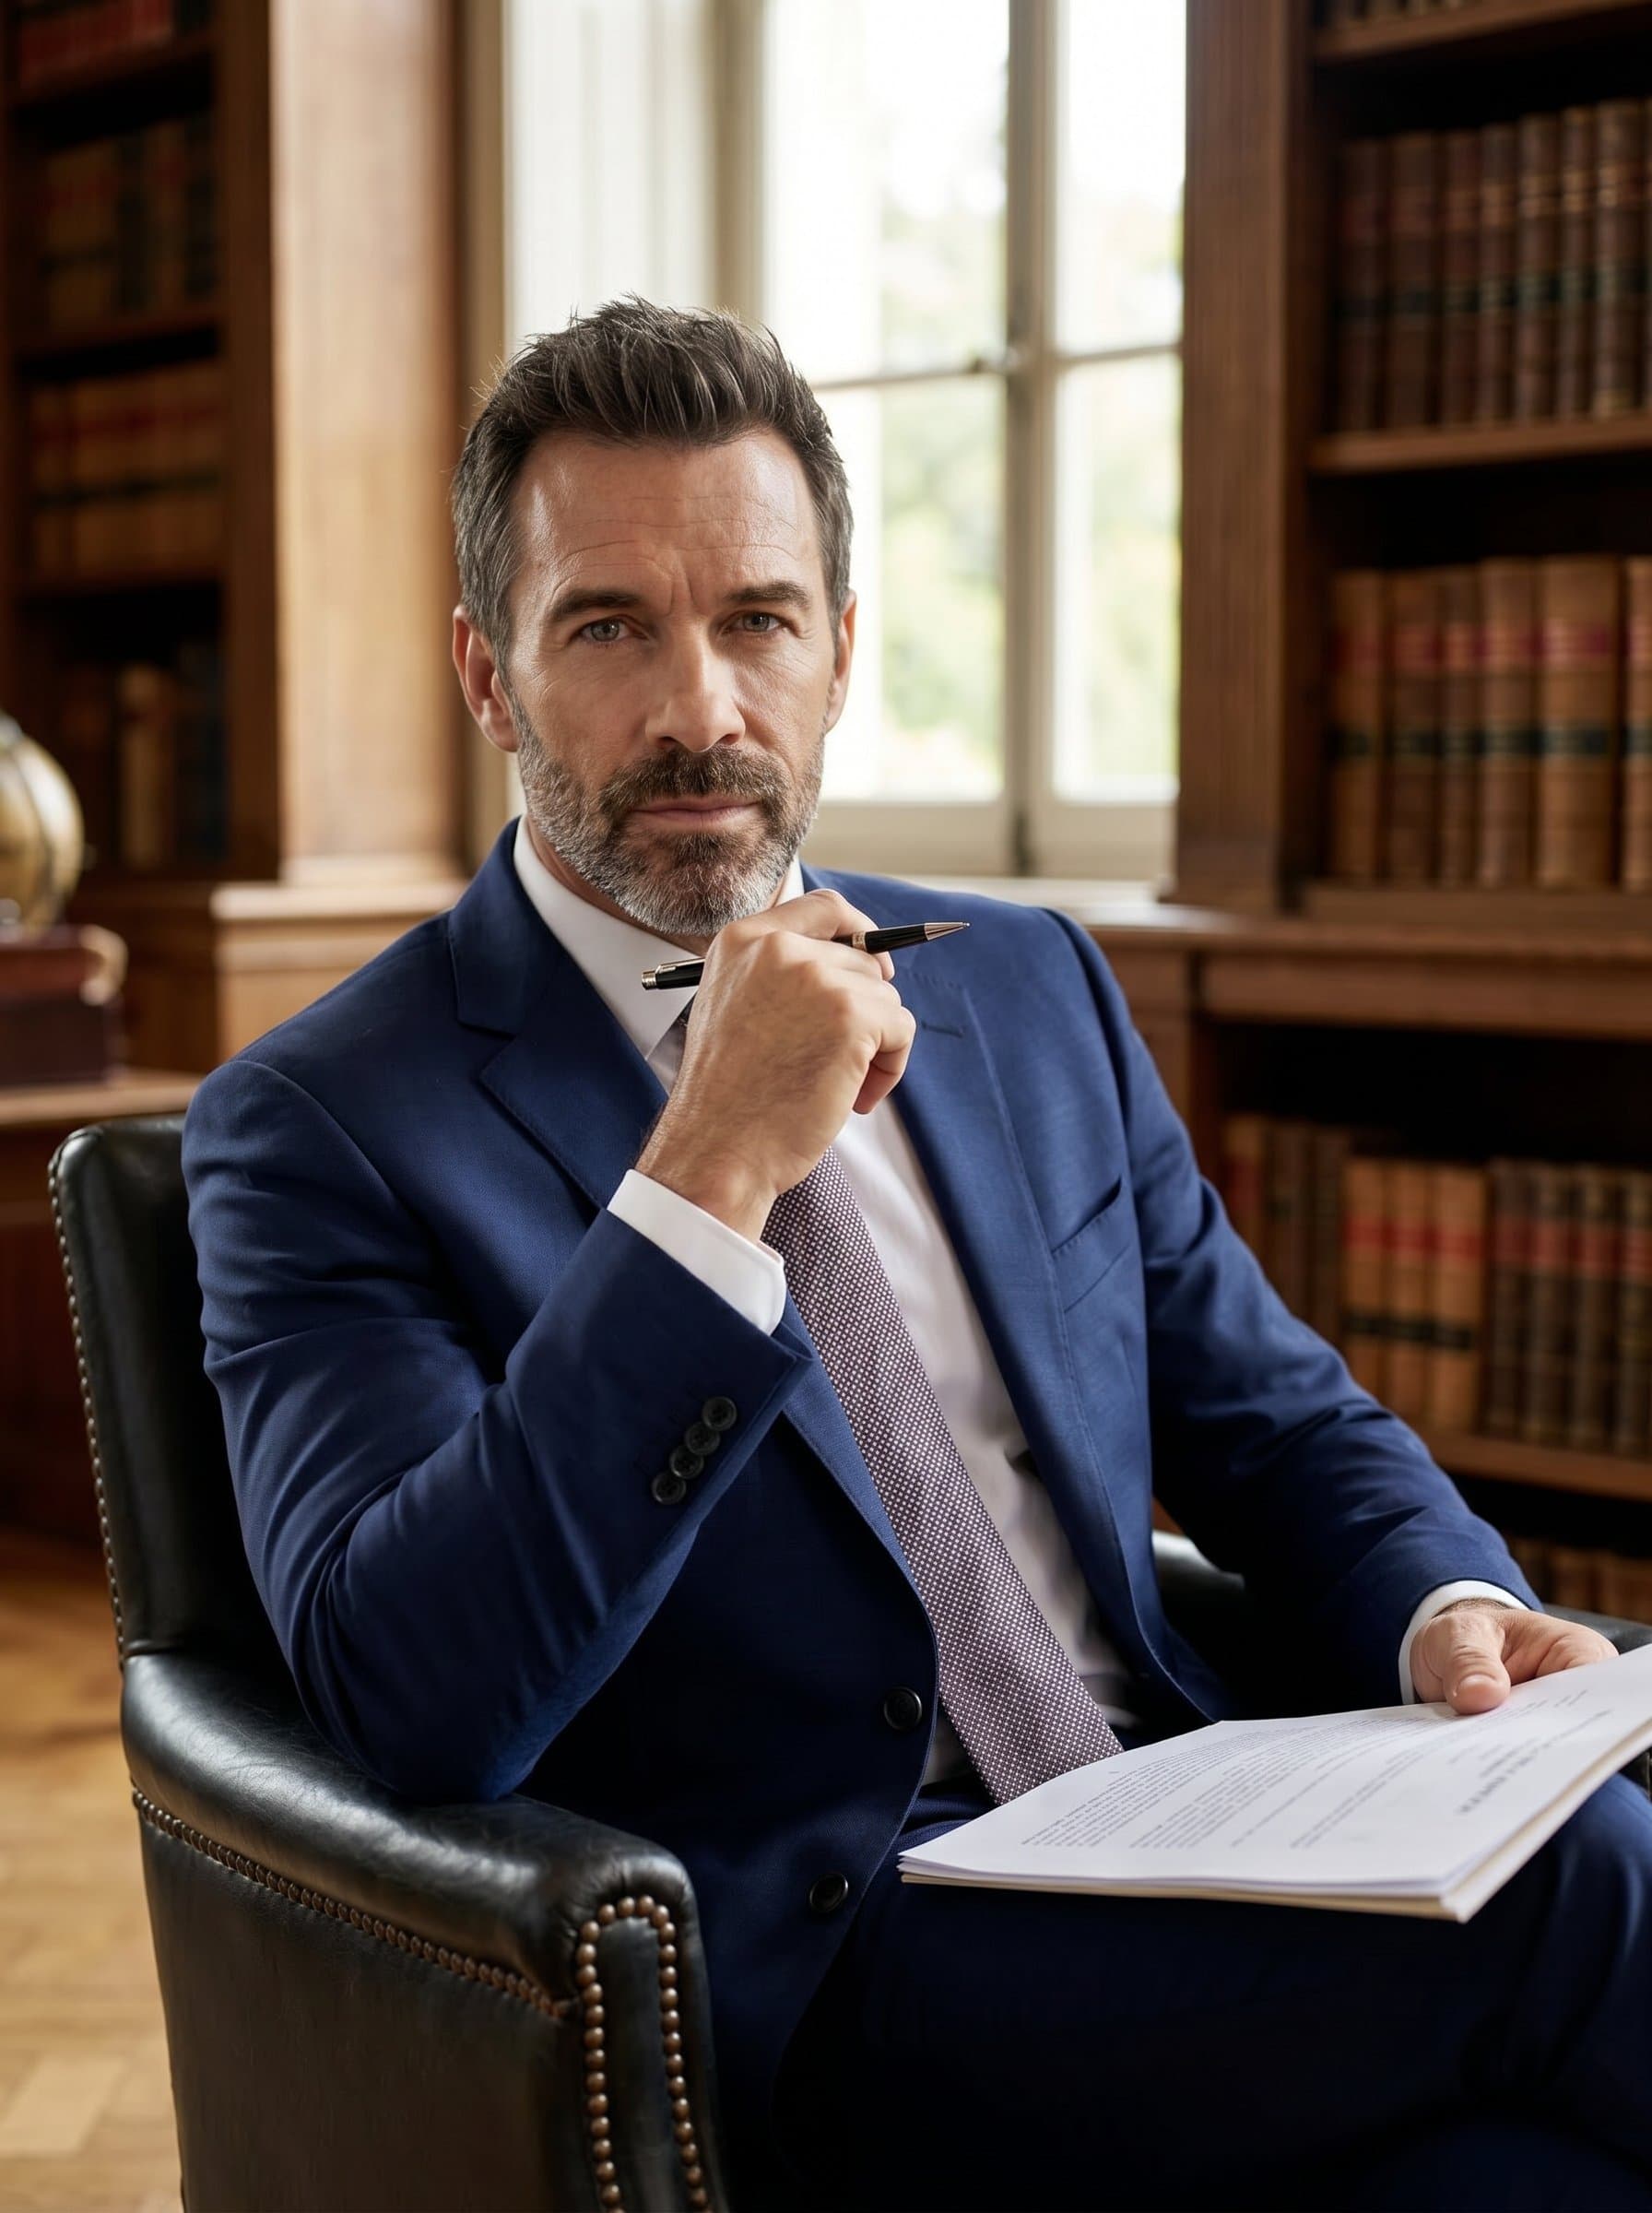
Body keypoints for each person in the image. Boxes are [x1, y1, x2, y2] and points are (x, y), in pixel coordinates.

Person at [182, 299, 1652, 2212]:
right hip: (821, 1972)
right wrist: (703, 1171)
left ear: (841, 652)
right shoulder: (318, 1125)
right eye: (608, 628)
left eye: (758, 621)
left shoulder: (1026, 987)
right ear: (488, 674)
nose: (701, 710)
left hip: (1178, 1834)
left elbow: (1276, 1421)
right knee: (1582, 1888)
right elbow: (413, 1688)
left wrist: (1439, 1601)